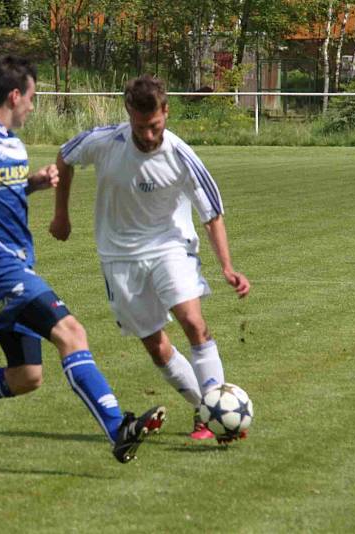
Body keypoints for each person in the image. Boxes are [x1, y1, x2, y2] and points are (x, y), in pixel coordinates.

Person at [0, 56, 165, 463]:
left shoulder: (11, 142)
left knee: (26, 377)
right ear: (15, 95)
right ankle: (117, 427)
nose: (32, 107)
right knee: (71, 332)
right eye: (32, 98)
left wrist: (33, 184)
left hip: (15, 264)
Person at [50, 75, 251, 442]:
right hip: (118, 258)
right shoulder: (105, 141)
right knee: (156, 346)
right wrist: (61, 214)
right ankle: (207, 408)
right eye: (140, 127)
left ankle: (213, 418)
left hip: (169, 247)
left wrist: (227, 266)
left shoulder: (181, 155)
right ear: (129, 114)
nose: (147, 134)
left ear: (166, 112)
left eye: (155, 125)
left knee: (192, 321)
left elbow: (212, 215)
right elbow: (64, 158)